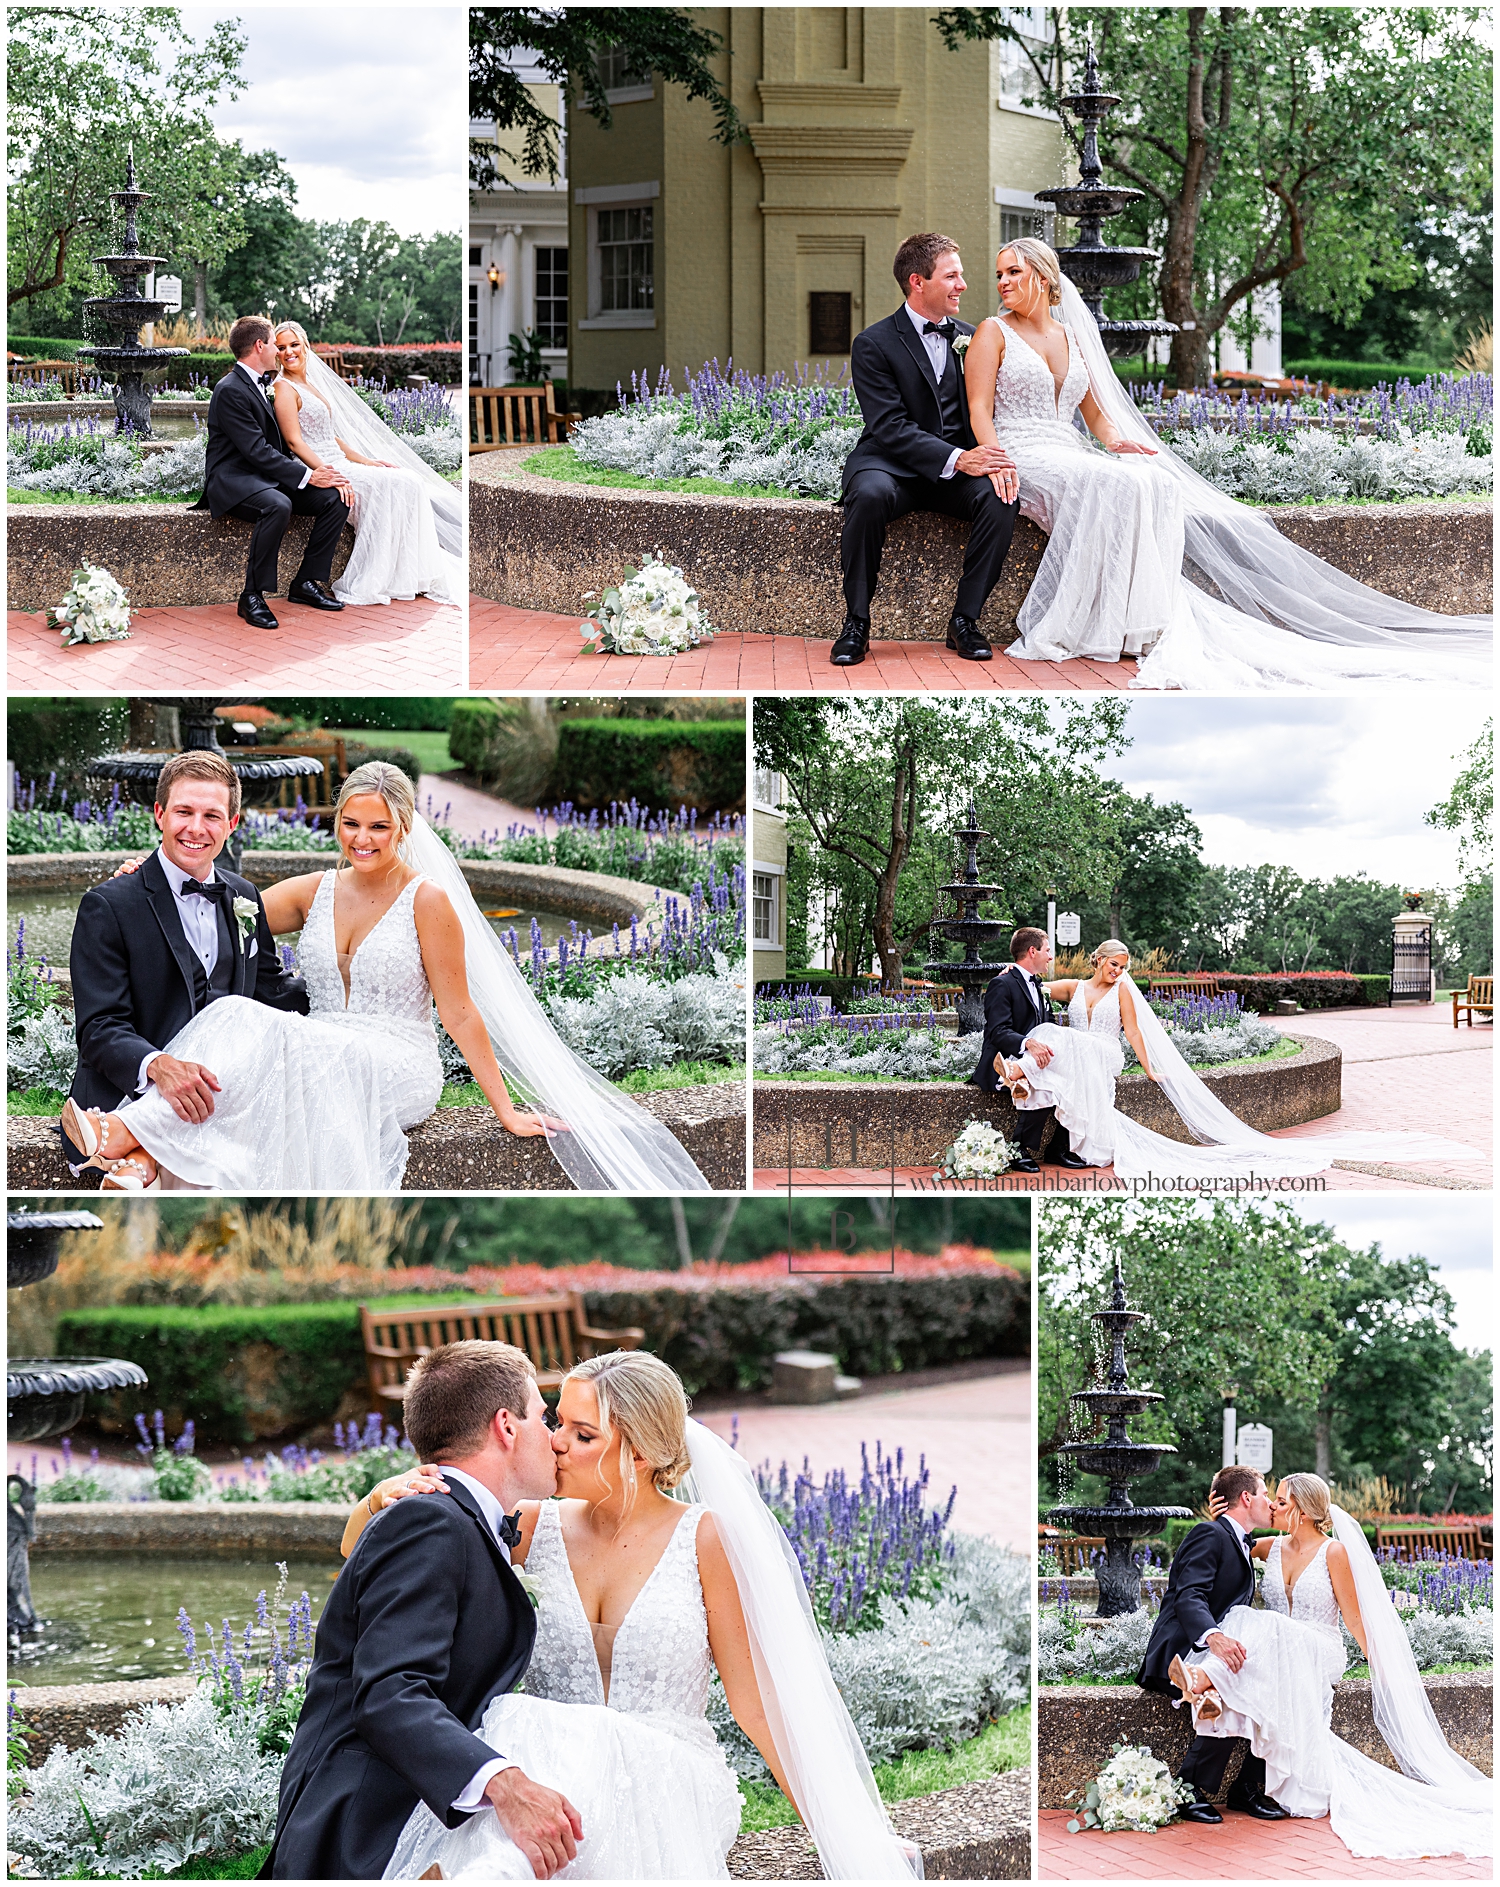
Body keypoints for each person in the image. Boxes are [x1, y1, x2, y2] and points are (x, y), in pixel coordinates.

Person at [345, 1349, 921, 1881]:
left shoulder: (704, 1541)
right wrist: (382, 1496)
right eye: (556, 1423)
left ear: (640, 1451)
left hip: (670, 1779)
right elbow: (361, 1550)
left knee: (554, 1731)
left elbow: (759, 1709)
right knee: (523, 1722)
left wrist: (846, 1834)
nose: (556, 1442)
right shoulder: (529, 1526)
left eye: (582, 1432)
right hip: (550, 1786)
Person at [63, 761, 711, 1193]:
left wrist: (506, 1110)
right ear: (336, 823)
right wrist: (142, 880)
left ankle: (128, 1137)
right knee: (241, 1021)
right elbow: (231, 915)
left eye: (379, 826)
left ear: (404, 827)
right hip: (323, 1049)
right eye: (350, 823)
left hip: (395, 1063)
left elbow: (459, 1012)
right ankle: (141, 1157)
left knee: (254, 1034)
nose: (364, 837)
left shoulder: (428, 901)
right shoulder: (309, 890)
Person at [961, 239, 1492, 689]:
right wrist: (995, 458)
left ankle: (1134, 625)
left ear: (1043, 277)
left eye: (1014, 271)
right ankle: (1084, 624)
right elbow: (980, 410)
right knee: (1106, 484)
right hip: (1020, 449)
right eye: (1001, 274)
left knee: (1152, 482)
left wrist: (1119, 442)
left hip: (1068, 447)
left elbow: (1095, 413)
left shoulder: (1073, 335)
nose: (1004, 281)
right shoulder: (993, 331)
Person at [262, 1342, 582, 1880]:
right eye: (543, 1416)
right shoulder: (431, 1523)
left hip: (418, 1805)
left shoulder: (458, 1520)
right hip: (363, 1828)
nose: (553, 1436)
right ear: (506, 1426)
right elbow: (389, 1692)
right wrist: (506, 1786)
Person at [1156, 1471, 1491, 1858]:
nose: (1273, 1505)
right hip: (1279, 1652)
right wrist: (1224, 1514)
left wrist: (1378, 1661)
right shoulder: (1269, 1547)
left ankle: (1202, 1680)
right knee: (1251, 1645)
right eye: (1270, 1498)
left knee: (1264, 1627)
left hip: (1319, 1647)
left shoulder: (1334, 1552)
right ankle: (1243, 1783)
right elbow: (1230, 1540)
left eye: (1280, 1501)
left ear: (1300, 1508)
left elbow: (1351, 1617)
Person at [995, 937, 1480, 1183]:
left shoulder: (1123, 992)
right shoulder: (1073, 988)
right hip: (1075, 1053)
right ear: (1098, 959)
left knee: (1066, 1041)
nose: (1119, 970)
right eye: (1113, 963)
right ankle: (1030, 1087)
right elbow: (1032, 988)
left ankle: (1018, 1073)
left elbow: (1136, 1033)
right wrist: (1009, 973)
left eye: (1124, 966)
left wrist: (1147, 1067)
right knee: (1053, 1032)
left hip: (1101, 1055)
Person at [60, 751, 310, 1189]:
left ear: (232, 824)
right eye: (184, 812)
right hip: (131, 1088)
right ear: (159, 814)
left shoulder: (243, 895)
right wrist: (159, 1066)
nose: (196, 828)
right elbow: (100, 1027)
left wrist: (350, 987)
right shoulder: (110, 905)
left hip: (218, 1094)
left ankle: (137, 1159)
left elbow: (271, 992)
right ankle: (136, 1144)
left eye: (212, 815)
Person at [834, 232, 1022, 667]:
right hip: (890, 464)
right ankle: (856, 623)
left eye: (962, 275)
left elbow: (986, 410)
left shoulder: (975, 338)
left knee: (1002, 497)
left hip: (956, 471)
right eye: (952, 275)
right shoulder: (873, 343)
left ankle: (965, 622)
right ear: (918, 281)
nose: (963, 285)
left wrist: (988, 459)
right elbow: (889, 427)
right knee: (869, 496)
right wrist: (959, 458)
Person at [271, 322, 463, 607]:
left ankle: (410, 573)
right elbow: (294, 442)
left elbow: (330, 435)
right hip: (320, 467)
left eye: (294, 345)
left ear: (305, 345)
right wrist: (329, 473)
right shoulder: (283, 388)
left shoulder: (310, 384)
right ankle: (376, 578)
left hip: (338, 459)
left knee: (406, 480)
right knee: (397, 484)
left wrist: (367, 461)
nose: (289, 352)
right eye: (282, 348)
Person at [1137, 1466, 1288, 1822]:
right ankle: (1190, 1789)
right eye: (1265, 1495)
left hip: (1213, 1651)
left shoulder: (1238, 1539)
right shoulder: (1209, 1534)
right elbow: (1190, 1596)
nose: (1270, 1503)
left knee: (1278, 1683)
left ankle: (1245, 1787)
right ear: (1247, 1498)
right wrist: (1214, 1637)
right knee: (1236, 1680)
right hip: (1184, 1648)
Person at [191, 314, 352, 632]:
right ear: (259, 345)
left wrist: (314, 472)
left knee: (334, 498)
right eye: (275, 345)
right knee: (277, 504)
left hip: (263, 476)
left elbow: (273, 447)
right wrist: (307, 475)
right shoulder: (230, 389)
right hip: (234, 480)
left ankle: (305, 583)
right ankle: (251, 597)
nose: (280, 352)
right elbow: (255, 450)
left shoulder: (257, 383)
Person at [969, 926, 1086, 1172]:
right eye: (1047, 950)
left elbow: (1049, 1026)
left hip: (1034, 1057)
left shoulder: (1039, 985)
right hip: (1004, 1057)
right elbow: (998, 1032)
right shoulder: (1001, 984)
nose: (1050, 956)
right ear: (1032, 951)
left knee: (1079, 1078)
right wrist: (1028, 1043)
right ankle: (1018, 1148)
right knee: (1044, 1081)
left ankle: (1058, 1149)